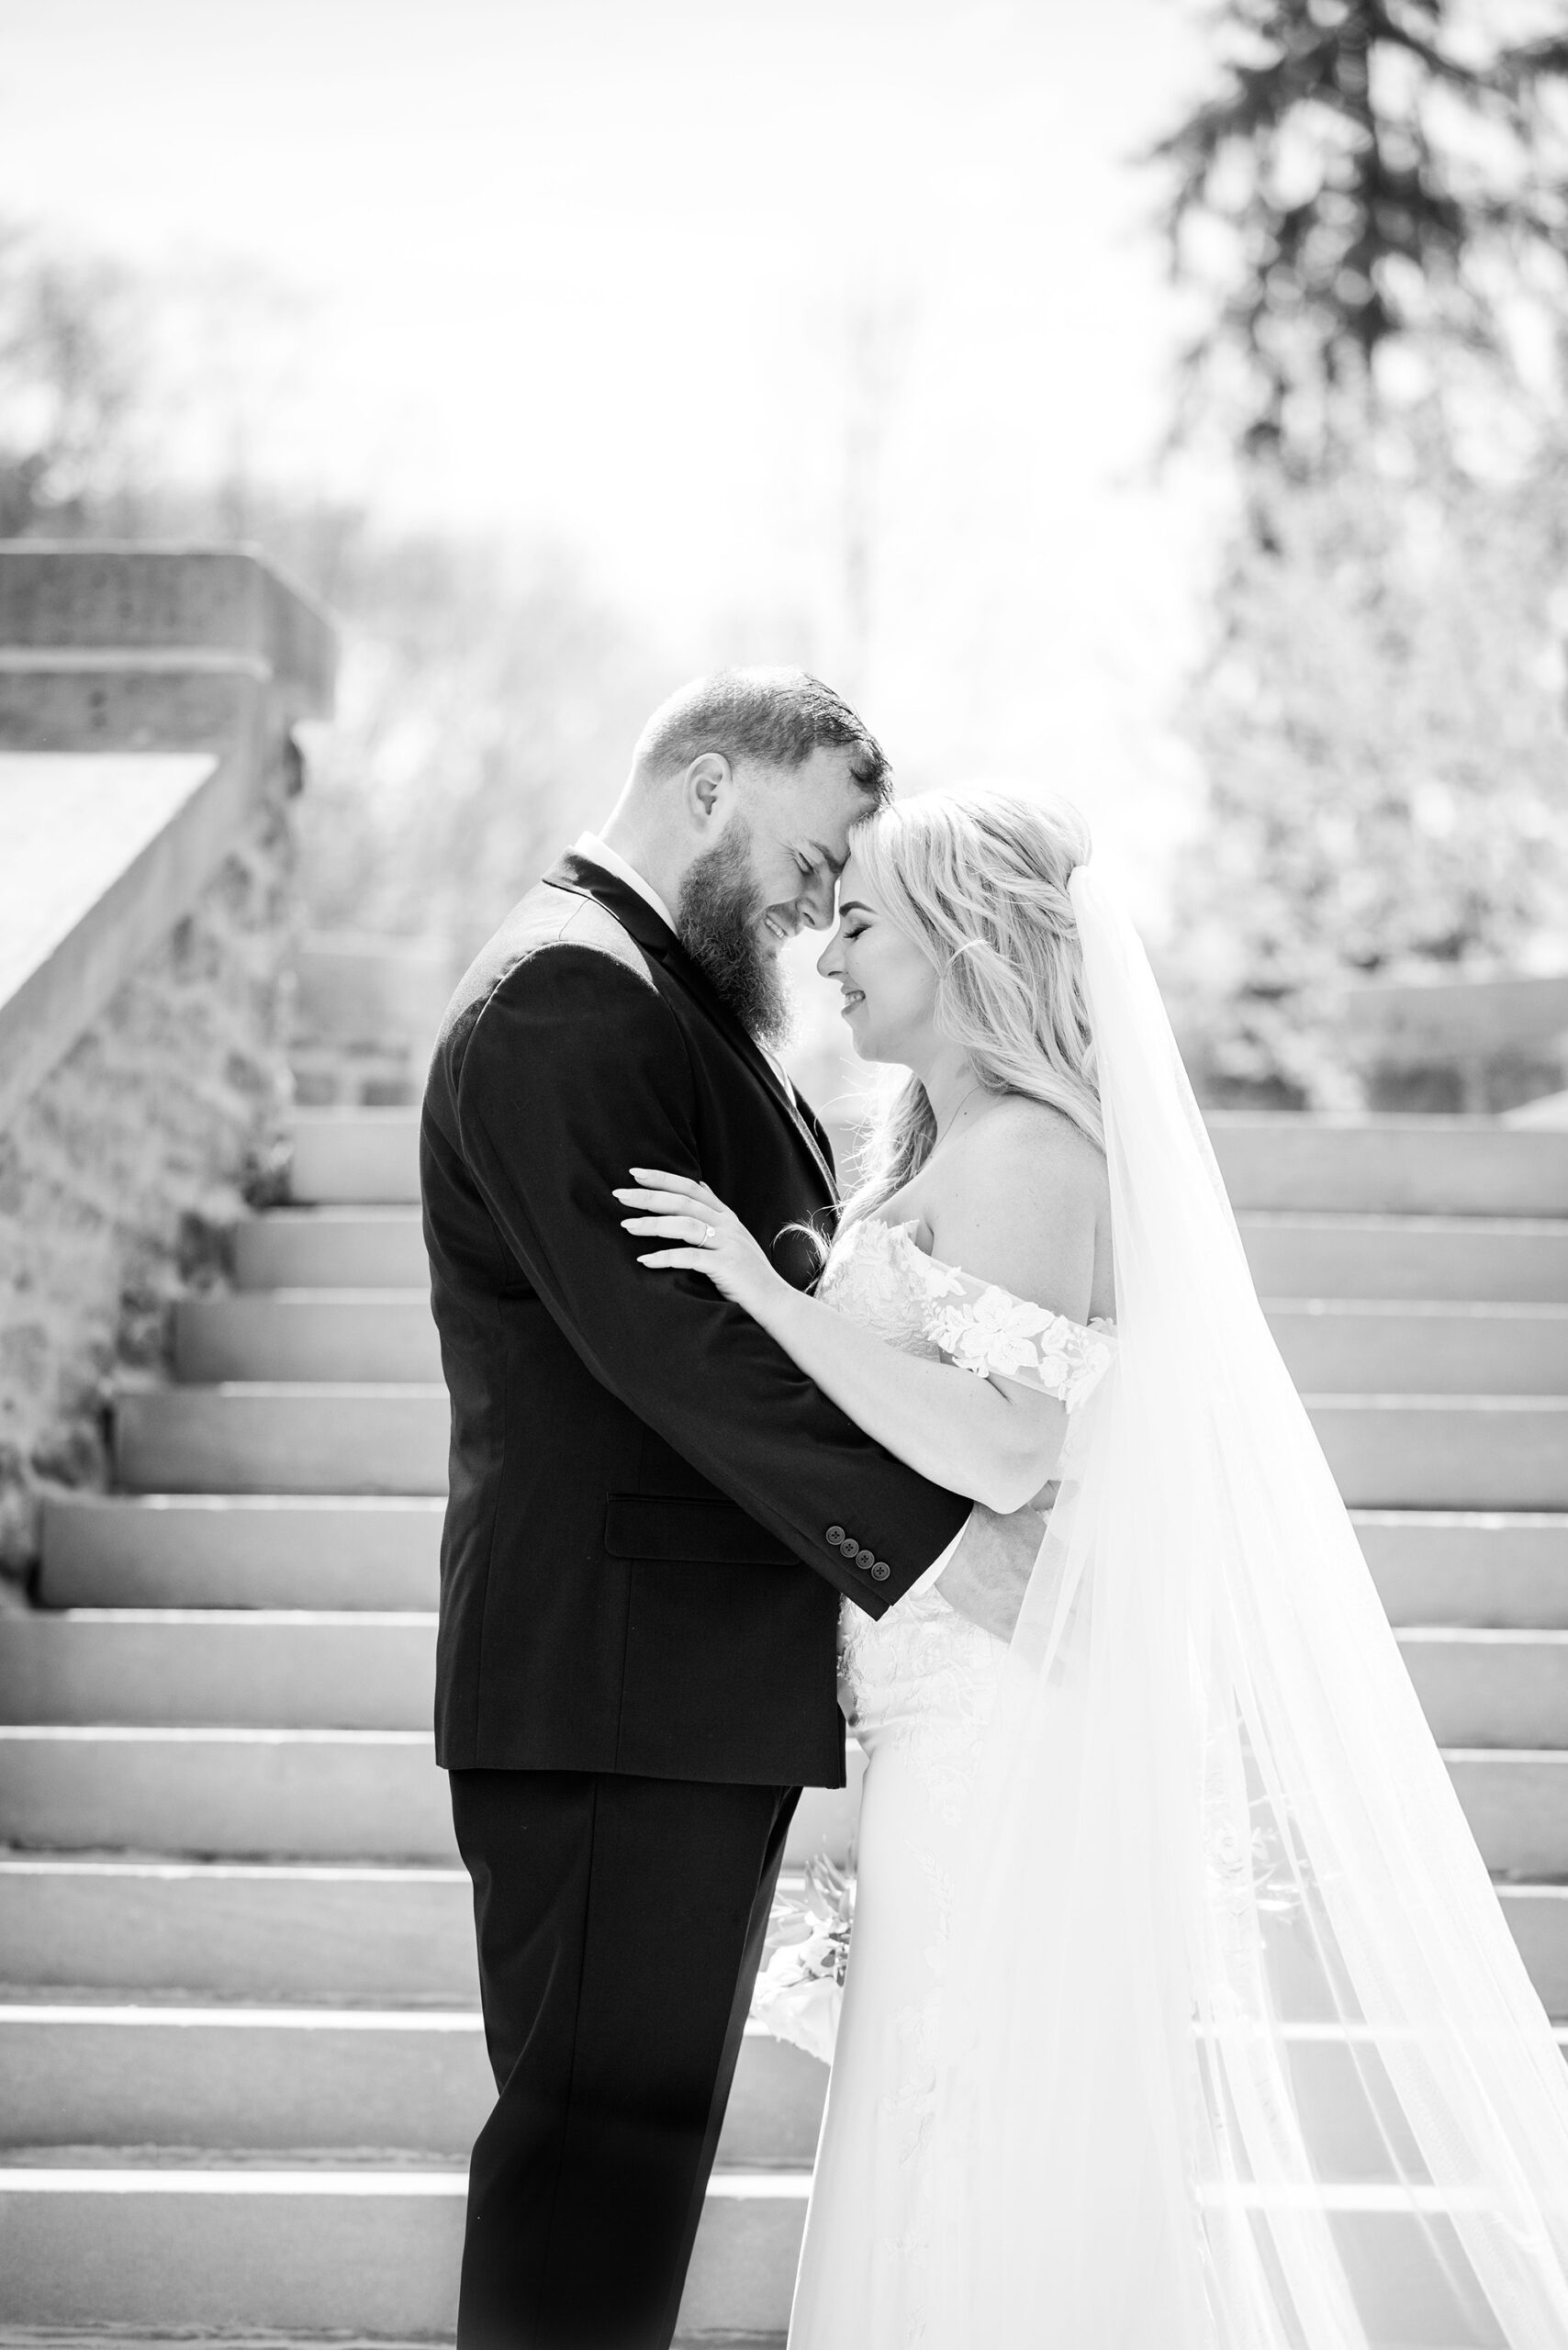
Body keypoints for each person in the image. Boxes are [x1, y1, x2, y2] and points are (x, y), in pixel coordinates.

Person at [621, 786, 1568, 2348]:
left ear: (967, 941)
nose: (828, 957)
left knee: (980, 2117)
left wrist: (760, 1294)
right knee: (941, 2108)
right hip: (952, 1708)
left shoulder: (1029, 1154)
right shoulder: (960, 1146)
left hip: (1007, 1716)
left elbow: (1007, 1448)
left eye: (860, 922)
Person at [419, 671, 1034, 2350]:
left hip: (671, 1688)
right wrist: (933, 1556)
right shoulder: (571, 1000)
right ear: (708, 786)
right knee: (592, 2158)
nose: (821, 911)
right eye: (813, 858)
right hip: (621, 1687)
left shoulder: (652, 994)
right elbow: (675, 1357)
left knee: (632, 2156)